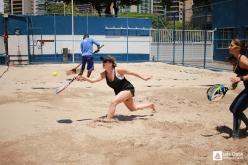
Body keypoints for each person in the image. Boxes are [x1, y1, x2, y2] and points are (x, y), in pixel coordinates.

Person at [76, 55, 155, 122]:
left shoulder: (118, 70)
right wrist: (83, 77)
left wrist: (144, 78)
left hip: (128, 89)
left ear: (110, 63)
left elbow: (132, 72)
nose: (103, 63)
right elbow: (93, 81)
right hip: (120, 92)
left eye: (105, 62)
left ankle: (108, 120)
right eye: (102, 62)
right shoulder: (104, 74)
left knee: (113, 102)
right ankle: (150, 105)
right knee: (133, 108)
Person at [227, 39, 248, 138]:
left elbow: (242, 76)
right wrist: (235, 82)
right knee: (233, 108)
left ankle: (235, 135)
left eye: (231, 45)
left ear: (237, 48)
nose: (229, 47)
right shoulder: (237, 59)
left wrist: (240, 78)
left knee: (236, 110)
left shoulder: (242, 59)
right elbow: (242, 73)